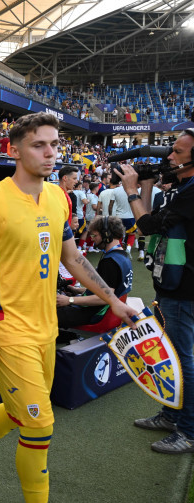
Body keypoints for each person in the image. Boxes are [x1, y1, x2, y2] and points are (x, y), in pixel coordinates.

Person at [0, 112, 135, 503]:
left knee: (21, 411)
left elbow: (74, 258)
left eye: (54, 144)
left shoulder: (58, 197)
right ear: (14, 150)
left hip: (46, 325)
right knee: (39, 423)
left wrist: (113, 300)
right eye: (39, 145)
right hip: (4, 326)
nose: (51, 153)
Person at [119, 128, 194, 454]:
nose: (170, 157)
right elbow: (149, 221)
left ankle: (188, 430)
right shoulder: (183, 187)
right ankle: (171, 415)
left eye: (177, 152)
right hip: (170, 284)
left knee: (183, 359)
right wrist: (147, 185)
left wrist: (132, 190)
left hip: (183, 288)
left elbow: (146, 226)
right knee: (172, 355)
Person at [56, 216, 132, 328]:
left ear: (106, 235)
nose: (92, 239)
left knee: (46, 314)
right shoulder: (123, 257)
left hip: (94, 314)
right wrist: (77, 290)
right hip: (103, 311)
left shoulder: (109, 262)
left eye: (94, 235)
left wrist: (70, 300)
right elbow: (110, 289)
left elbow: (103, 298)